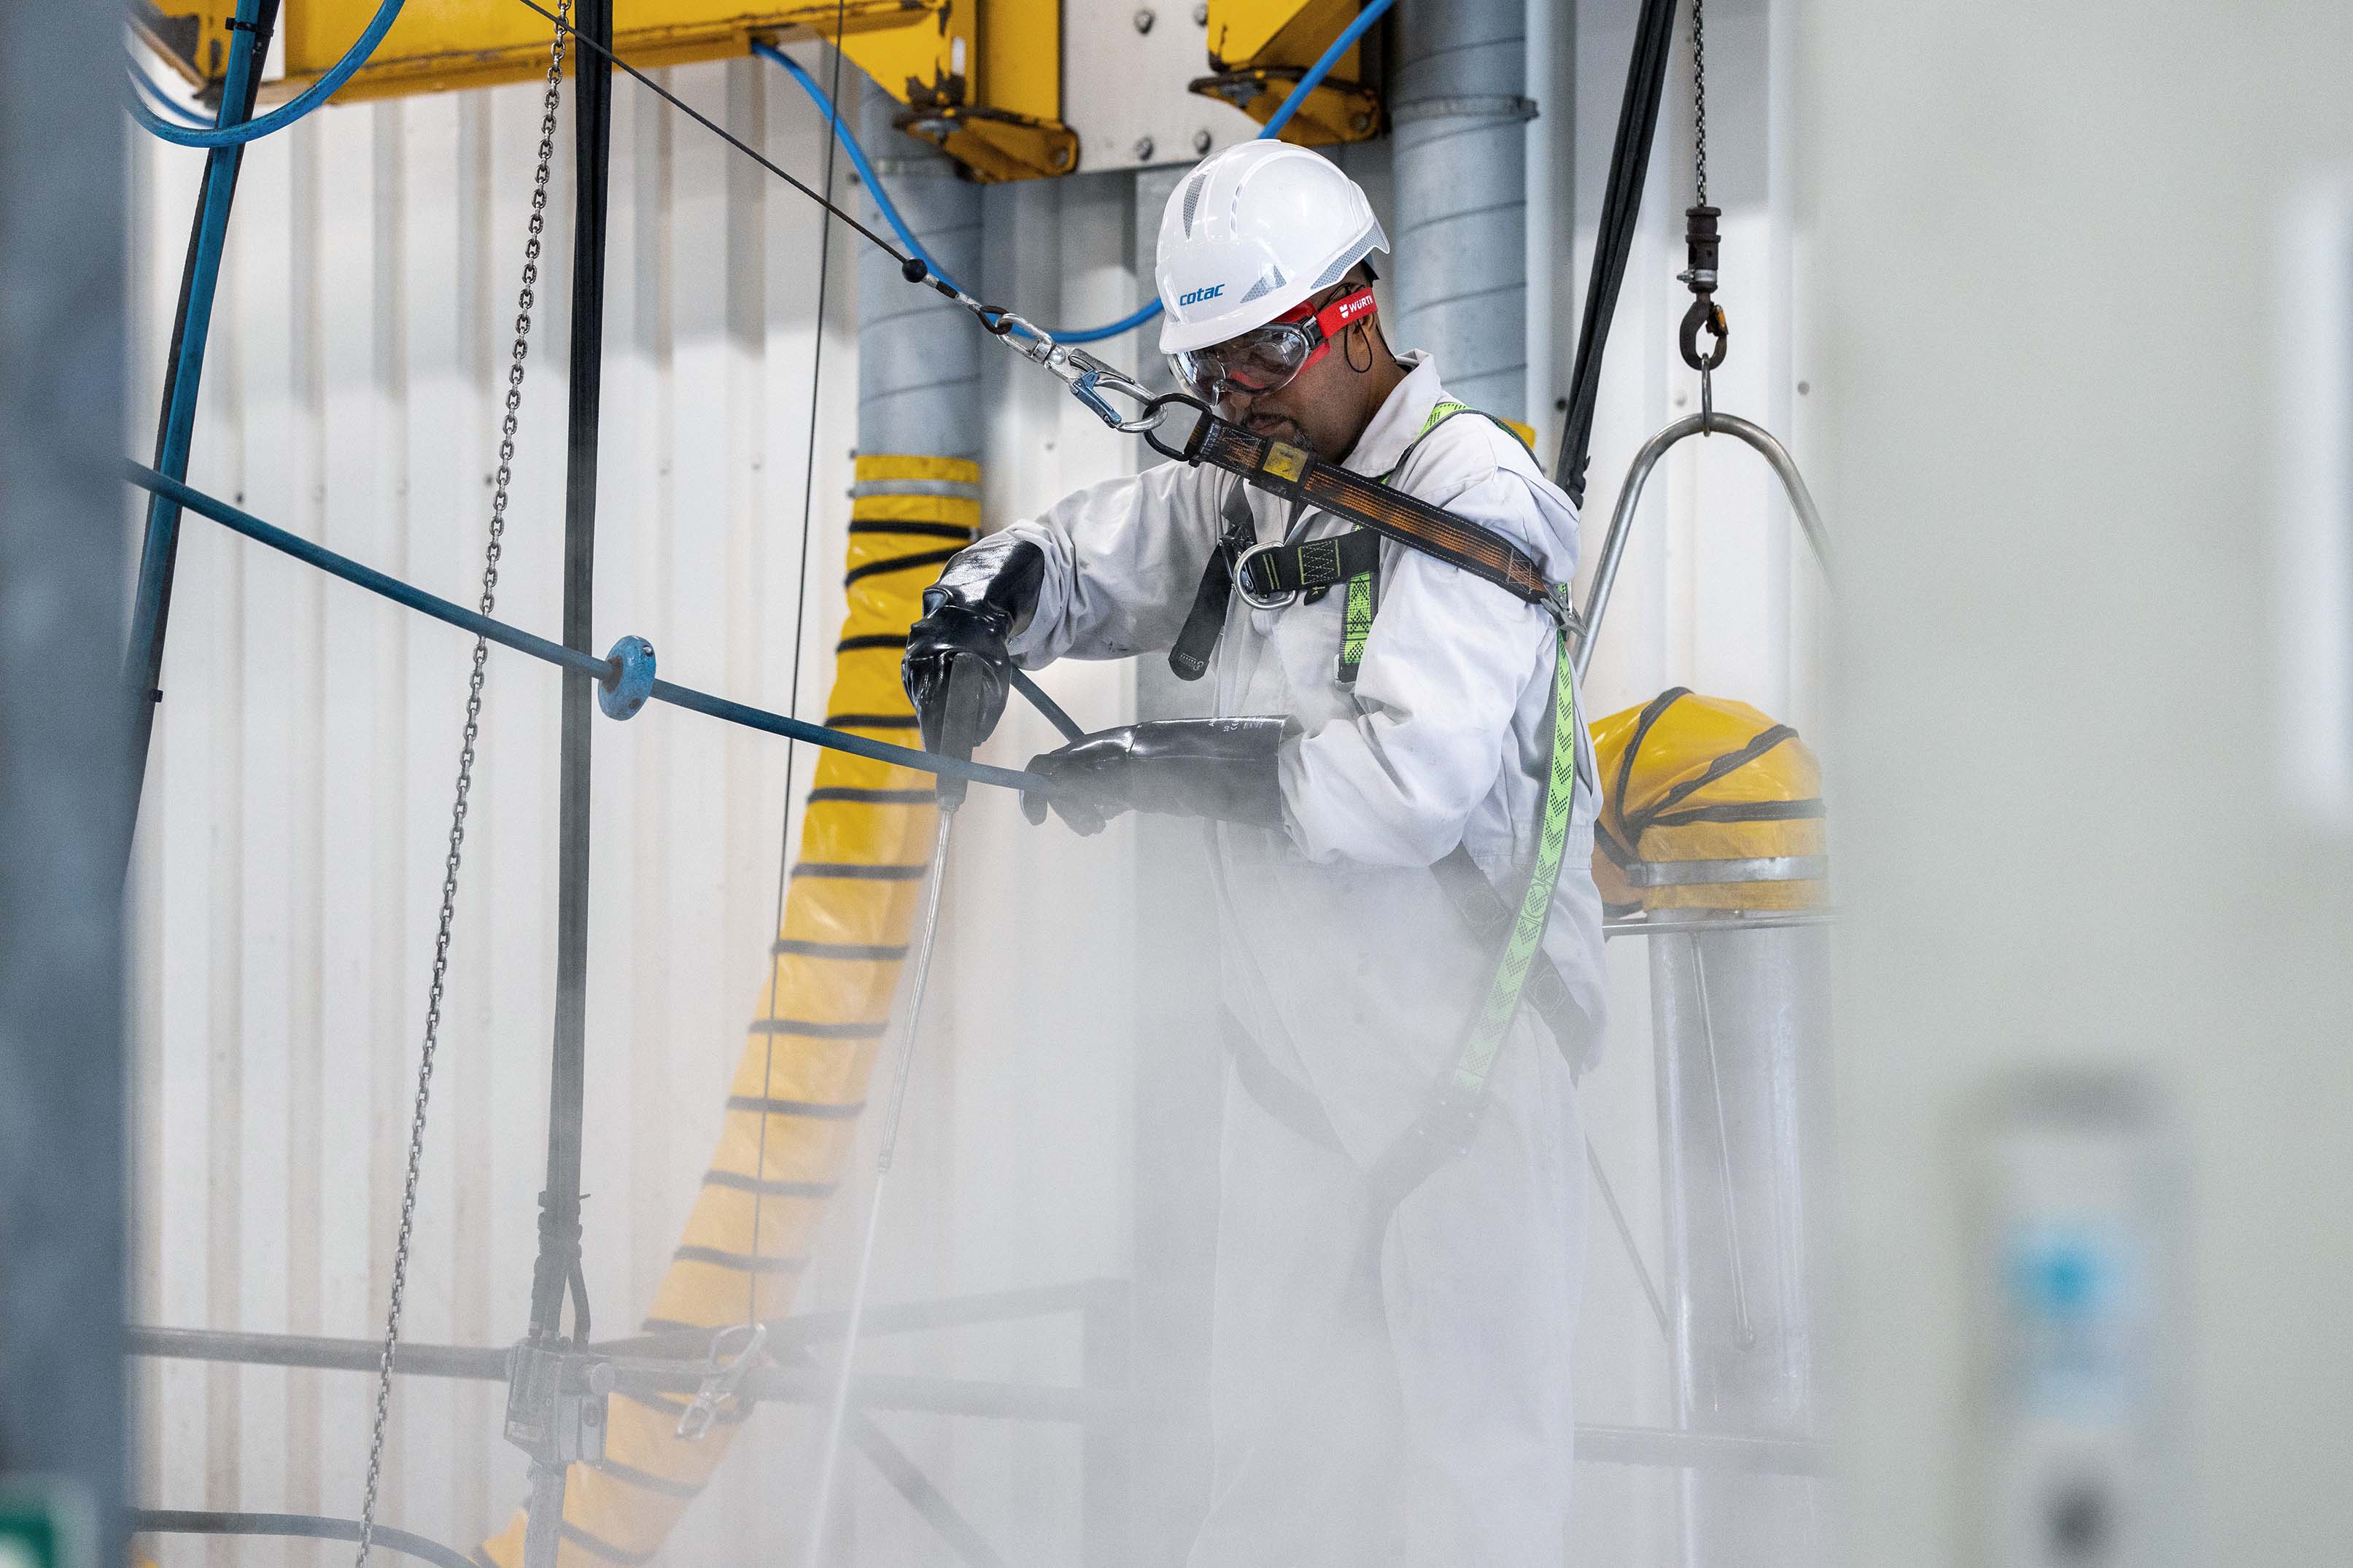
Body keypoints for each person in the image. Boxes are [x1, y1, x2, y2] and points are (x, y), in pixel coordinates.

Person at [902, 139, 1605, 1567]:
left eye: (1264, 353)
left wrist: (1167, 765)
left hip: (1471, 1065)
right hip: (1297, 1073)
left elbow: (1407, 788)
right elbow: (1089, 554)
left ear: (1355, 314)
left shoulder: (1470, 490)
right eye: (1211, 367)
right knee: (1273, 1468)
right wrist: (980, 607)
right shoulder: (1254, 484)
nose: (1237, 395)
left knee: (1480, 1482)